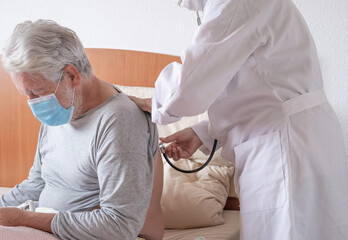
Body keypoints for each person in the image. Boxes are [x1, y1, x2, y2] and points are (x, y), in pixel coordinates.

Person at [130, 0, 348, 239]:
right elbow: (255, 88)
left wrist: (150, 102)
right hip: (301, 139)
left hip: (287, 149)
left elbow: (188, 85)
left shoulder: (234, 2)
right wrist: (204, 132)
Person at [0, 20, 164, 240]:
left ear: (72, 75)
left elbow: (120, 226)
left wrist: (24, 219)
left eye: (37, 93)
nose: (32, 103)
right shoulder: (60, 110)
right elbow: (37, 184)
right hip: (48, 226)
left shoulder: (119, 120)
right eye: (26, 94)